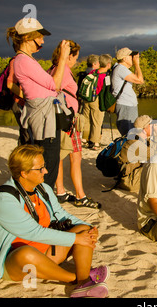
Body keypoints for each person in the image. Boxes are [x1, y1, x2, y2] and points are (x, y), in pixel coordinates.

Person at [0, 145, 109, 298]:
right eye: (40, 168)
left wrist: (89, 228)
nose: (46, 171)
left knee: (83, 229)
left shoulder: (42, 189)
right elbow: (34, 233)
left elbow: (60, 214)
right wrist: (76, 239)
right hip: (14, 263)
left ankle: (83, 282)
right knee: (26, 253)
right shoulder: (4, 199)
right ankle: (76, 278)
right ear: (24, 173)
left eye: (44, 167)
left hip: (46, 252)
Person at [6, 17, 71, 189]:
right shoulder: (24, 61)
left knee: (49, 161)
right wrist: (63, 57)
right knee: (48, 165)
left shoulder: (25, 60)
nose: (42, 41)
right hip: (44, 119)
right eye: (39, 37)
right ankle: (44, 206)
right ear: (27, 38)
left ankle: (44, 204)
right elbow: (55, 84)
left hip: (44, 116)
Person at [50, 40, 101, 209]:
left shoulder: (53, 69)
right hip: (67, 120)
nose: (76, 61)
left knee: (59, 156)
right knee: (75, 157)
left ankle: (60, 191)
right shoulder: (63, 70)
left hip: (58, 119)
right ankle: (80, 195)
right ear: (69, 55)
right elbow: (55, 90)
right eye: (75, 57)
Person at [118, 115, 157, 192]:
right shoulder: (135, 144)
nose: (153, 127)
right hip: (129, 182)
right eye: (151, 125)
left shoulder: (139, 138)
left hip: (132, 175)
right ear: (144, 129)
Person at [82, 54, 113, 150]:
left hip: (87, 99)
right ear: (108, 64)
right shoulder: (105, 76)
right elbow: (106, 91)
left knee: (87, 120)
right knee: (97, 121)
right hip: (96, 99)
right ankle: (95, 143)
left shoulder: (93, 72)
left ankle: (85, 139)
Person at [112, 47, 144, 136]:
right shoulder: (121, 69)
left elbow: (137, 79)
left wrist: (135, 64)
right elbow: (140, 80)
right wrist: (137, 64)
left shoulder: (121, 69)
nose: (133, 58)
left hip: (128, 105)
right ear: (124, 58)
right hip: (125, 105)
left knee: (132, 133)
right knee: (129, 134)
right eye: (131, 56)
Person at [80, 54, 99, 145]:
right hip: (94, 98)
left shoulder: (84, 73)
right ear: (94, 64)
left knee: (86, 119)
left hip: (85, 98)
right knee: (95, 120)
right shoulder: (96, 73)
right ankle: (94, 141)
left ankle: (84, 138)